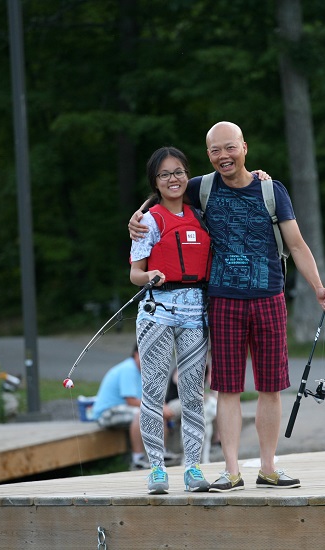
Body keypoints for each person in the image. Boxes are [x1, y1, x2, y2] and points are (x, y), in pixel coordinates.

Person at [130, 122, 325, 492]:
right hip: (222, 301)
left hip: (270, 297)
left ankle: (269, 468)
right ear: (208, 155)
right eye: (215, 150)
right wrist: (138, 214)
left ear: (244, 147)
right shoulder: (202, 187)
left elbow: (297, 244)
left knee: (271, 387)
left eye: (229, 148)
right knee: (227, 389)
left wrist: (318, 287)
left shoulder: (273, 191)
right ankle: (230, 470)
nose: (223, 156)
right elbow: (166, 191)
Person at [129, 146, 212, 494]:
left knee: (193, 393)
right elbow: (135, 273)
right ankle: (157, 470)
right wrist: (151, 276)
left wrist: (261, 177)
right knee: (154, 392)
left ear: (187, 175)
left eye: (178, 171)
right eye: (165, 174)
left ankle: (193, 468)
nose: (173, 179)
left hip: (196, 314)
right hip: (156, 313)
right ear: (156, 182)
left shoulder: (203, 214)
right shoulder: (148, 221)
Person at [90, 344, 178, 470]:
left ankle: (162, 453)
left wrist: (162, 407)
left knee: (157, 412)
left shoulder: (143, 372)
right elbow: (131, 400)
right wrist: (158, 407)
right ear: (136, 354)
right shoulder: (129, 368)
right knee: (140, 413)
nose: (150, 361)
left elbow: (154, 397)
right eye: (147, 357)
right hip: (106, 413)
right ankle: (137, 460)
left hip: (123, 410)